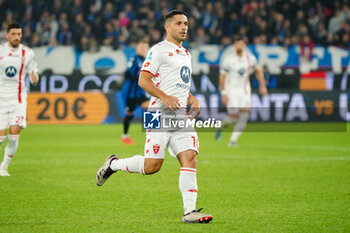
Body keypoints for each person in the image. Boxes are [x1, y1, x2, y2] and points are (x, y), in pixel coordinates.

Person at [96, 10, 213, 223]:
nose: (184, 27)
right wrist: (164, 97)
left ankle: (189, 212)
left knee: (190, 157)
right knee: (152, 167)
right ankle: (113, 164)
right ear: (168, 27)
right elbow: (144, 80)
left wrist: (192, 97)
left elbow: (178, 84)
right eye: (179, 23)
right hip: (157, 114)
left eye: (186, 23)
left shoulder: (186, 54)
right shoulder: (158, 50)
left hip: (179, 115)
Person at [0, 22, 39, 176]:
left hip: (18, 98)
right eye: (14, 34)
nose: (17, 37)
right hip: (1, 98)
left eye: (19, 34)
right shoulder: (1, 51)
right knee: (1, 136)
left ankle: (4, 166)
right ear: (7, 35)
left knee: (15, 132)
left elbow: (34, 72)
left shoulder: (28, 53)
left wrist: (34, 77)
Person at [216, 36, 267, 146]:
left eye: (241, 44)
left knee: (244, 116)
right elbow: (222, 77)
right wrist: (224, 93)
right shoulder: (228, 59)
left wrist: (262, 86)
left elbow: (258, 71)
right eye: (237, 44)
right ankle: (220, 127)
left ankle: (233, 141)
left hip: (245, 91)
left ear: (244, 45)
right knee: (233, 117)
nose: (239, 46)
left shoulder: (250, 58)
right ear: (234, 45)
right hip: (231, 91)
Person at [121, 39, 150, 145]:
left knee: (150, 108)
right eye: (142, 47)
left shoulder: (147, 60)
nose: (144, 49)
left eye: (145, 47)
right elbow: (127, 74)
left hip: (140, 92)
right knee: (130, 113)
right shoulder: (133, 59)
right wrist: (140, 78)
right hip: (130, 93)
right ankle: (124, 135)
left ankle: (153, 135)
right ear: (137, 48)